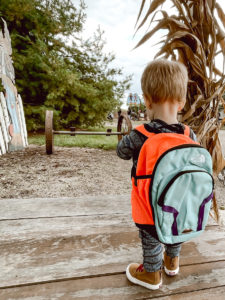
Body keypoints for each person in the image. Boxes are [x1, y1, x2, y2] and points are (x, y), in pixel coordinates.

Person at [117, 59, 197, 290]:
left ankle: (152, 274)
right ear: (181, 102)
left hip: (149, 204)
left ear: (147, 100)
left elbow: (121, 152)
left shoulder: (140, 134)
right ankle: (172, 262)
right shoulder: (188, 133)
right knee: (176, 227)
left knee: (150, 234)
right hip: (180, 202)